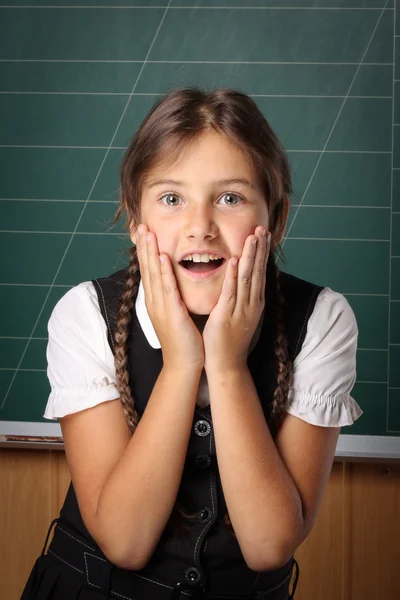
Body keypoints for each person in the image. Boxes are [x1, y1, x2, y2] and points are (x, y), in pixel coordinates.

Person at [21, 87, 363, 600]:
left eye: (230, 198)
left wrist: (226, 367)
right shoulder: (83, 314)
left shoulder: (323, 319)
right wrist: (183, 364)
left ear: (277, 219)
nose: (200, 227)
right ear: (136, 221)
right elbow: (124, 541)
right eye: (171, 198)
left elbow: (270, 546)